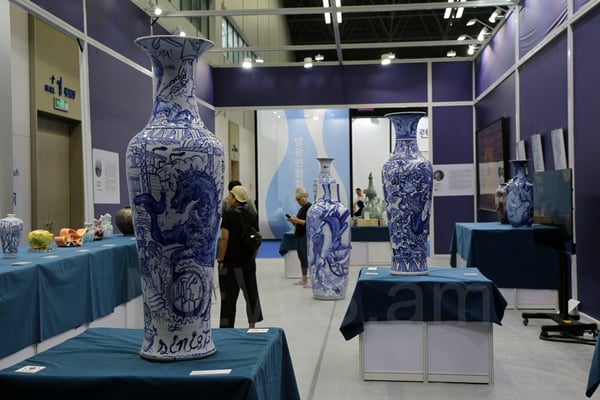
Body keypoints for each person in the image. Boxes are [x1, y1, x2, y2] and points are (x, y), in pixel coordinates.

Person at [217, 185, 263, 328]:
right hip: (248, 263)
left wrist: (221, 259)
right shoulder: (252, 215)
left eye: (230, 196)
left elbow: (225, 238)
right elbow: (257, 239)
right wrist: (252, 257)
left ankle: (226, 328)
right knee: (251, 295)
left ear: (235, 198)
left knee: (228, 298)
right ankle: (252, 326)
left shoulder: (228, 215)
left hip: (231, 263)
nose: (228, 199)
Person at [287, 187, 312, 288]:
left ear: (304, 198)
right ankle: (304, 278)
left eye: (299, 199)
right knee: (301, 257)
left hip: (305, 235)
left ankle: (312, 279)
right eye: (296, 200)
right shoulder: (301, 208)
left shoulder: (310, 207)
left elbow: (309, 223)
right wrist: (293, 221)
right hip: (299, 234)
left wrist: (296, 220)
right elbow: (299, 223)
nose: (297, 202)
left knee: (307, 257)